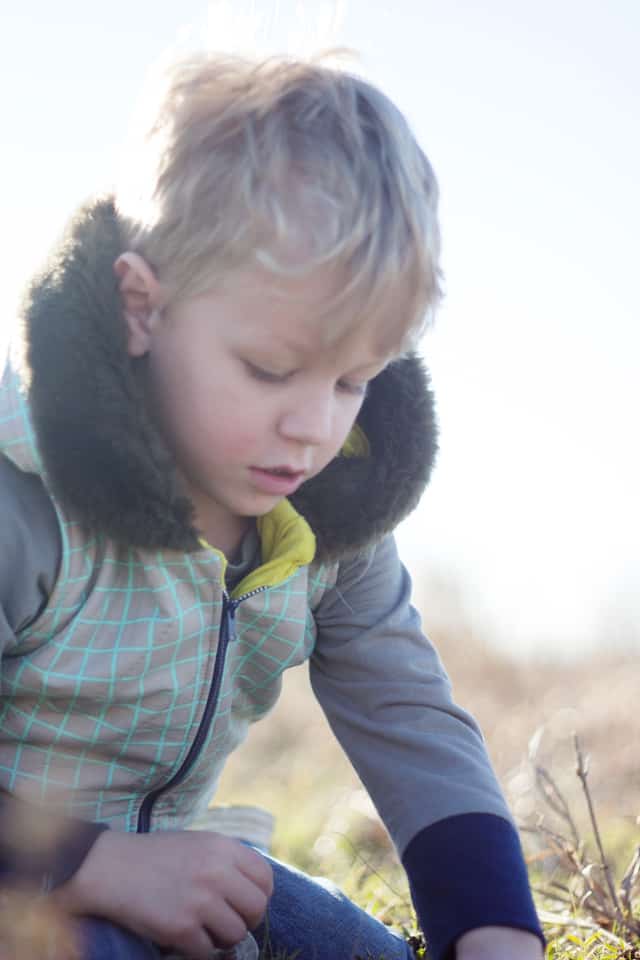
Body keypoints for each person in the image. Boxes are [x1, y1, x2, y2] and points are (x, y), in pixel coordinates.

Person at [0, 53, 544, 960]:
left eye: (353, 380)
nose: (312, 427)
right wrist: (88, 865)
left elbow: (407, 710)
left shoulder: (331, 516)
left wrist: (495, 928)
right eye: (268, 370)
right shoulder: (29, 494)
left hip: (177, 865)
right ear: (143, 308)